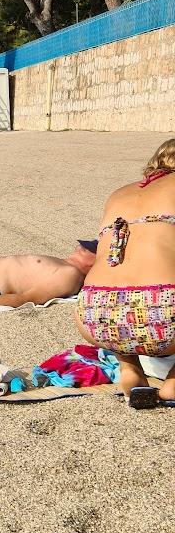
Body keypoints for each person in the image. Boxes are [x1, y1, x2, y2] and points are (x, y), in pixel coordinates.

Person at [76, 139, 175, 399]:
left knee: (121, 284)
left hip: (94, 316)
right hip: (164, 316)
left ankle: (130, 367)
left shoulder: (119, 193)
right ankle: (174, 381)